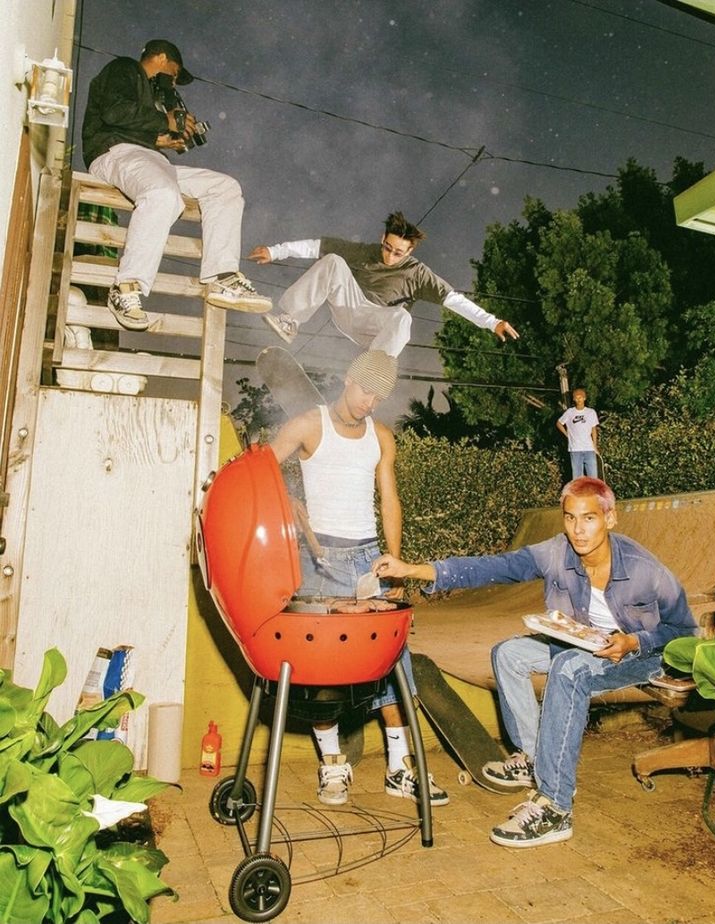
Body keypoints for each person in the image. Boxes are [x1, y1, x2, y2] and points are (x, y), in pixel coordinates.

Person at [371, 476, 697, 847]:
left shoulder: (644, 569)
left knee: (569, 669)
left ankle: (556, 806)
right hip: (586, 645)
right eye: (570, 518)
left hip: (643, 655)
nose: (578, 530)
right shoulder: (557, 552)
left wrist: (635, 640)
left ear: (610, 519)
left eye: (589, 518)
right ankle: (533, 758)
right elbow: (494, 567)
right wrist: (415, 570)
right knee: (508, 654)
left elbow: (684, 632)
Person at [268, 350, 448, 808]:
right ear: (348, 378)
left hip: (369, 560)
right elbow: (260, 466)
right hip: (320, 559)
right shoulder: (310, 424)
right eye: (365, 390)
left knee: (392, 664)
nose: (370, 402)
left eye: (379, 396)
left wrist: (396, 561)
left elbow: (390, 500)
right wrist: (288, 498)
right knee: (320, 672)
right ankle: (332, 766)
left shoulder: (381, 436)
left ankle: (400, 769)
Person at [82, 39, 270, 332]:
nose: (173, 80)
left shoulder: (150, 92)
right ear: (160, 57)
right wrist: (165, 120)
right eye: (174, 70)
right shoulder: (125, 68)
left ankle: (221, 277)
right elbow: (113, 113)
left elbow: (132, 125)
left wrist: (161, 139)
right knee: (162, 195)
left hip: (148, 157)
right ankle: (125, 287)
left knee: (225, 187)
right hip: (113, 152)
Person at [248, 210, 519, 356]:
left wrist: (491, 322)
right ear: (382, 238)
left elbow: (454, 300)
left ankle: (374, 368)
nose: (389, 256)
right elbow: (317, 246)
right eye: (387, 247)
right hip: (349, 308)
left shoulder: (418, 273)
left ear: (410, 251)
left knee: (402, 318)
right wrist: (276, 251)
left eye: (397, 252)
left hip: (375, 326)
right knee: (332, 260)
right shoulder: (367, 251)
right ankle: (290, 321)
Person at [556, 388, 599, 478]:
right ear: (574, 399)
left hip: (589, 449)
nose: (578, 399)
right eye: (576, 398)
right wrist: (567, 435)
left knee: (593, 477)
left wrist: (595, 446)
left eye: (580, 397)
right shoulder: (570, 412)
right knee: (577, 477)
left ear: (584, 398)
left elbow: (594, 430)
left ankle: (592, 492)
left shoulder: (591, 412)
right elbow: (559, 423)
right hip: (575, 449)